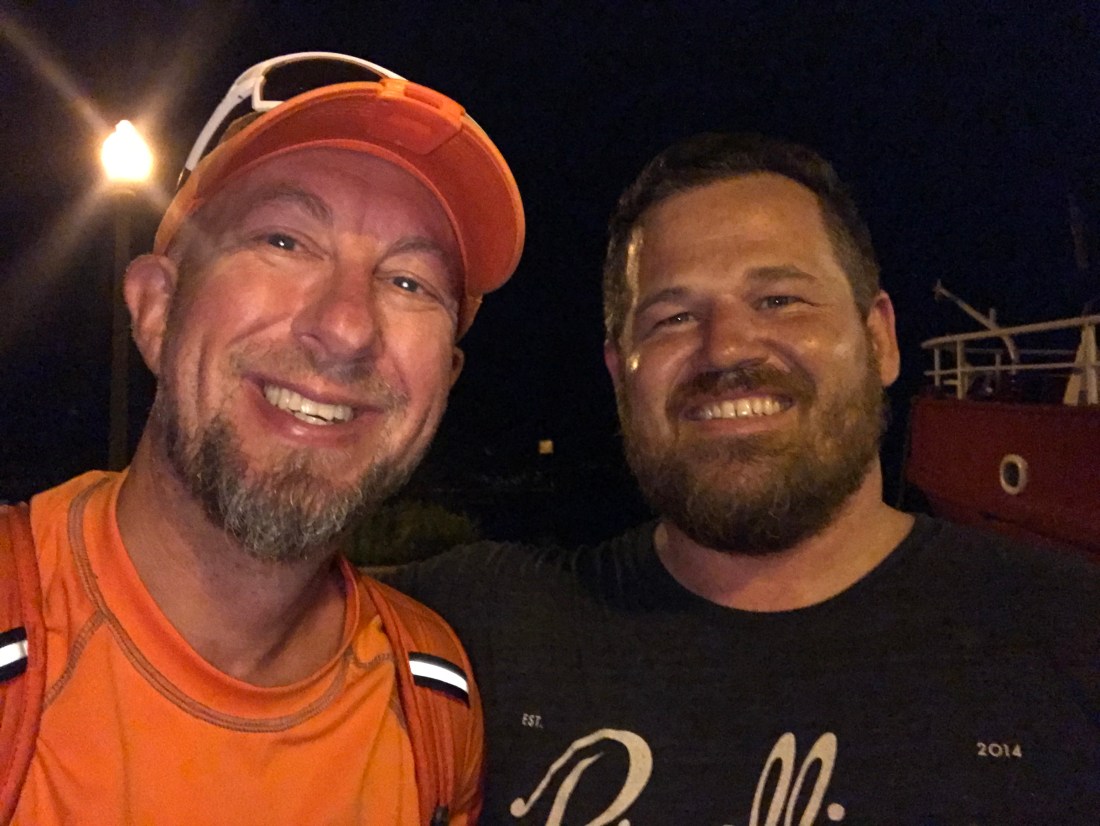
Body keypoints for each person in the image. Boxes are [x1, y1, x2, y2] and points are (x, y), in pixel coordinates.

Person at [384, 133, 1100, 823]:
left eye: (780, 300)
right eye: (673, 318)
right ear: (619, 373)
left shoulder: (1072, 634)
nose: (725, 349)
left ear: (880, 339)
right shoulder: (473, 630)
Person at [0, 52, 524, 825]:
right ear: (156, 309)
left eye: (409, 282)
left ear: (444, 379)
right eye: (284, 241)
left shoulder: (434, 701)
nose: (346, 328)